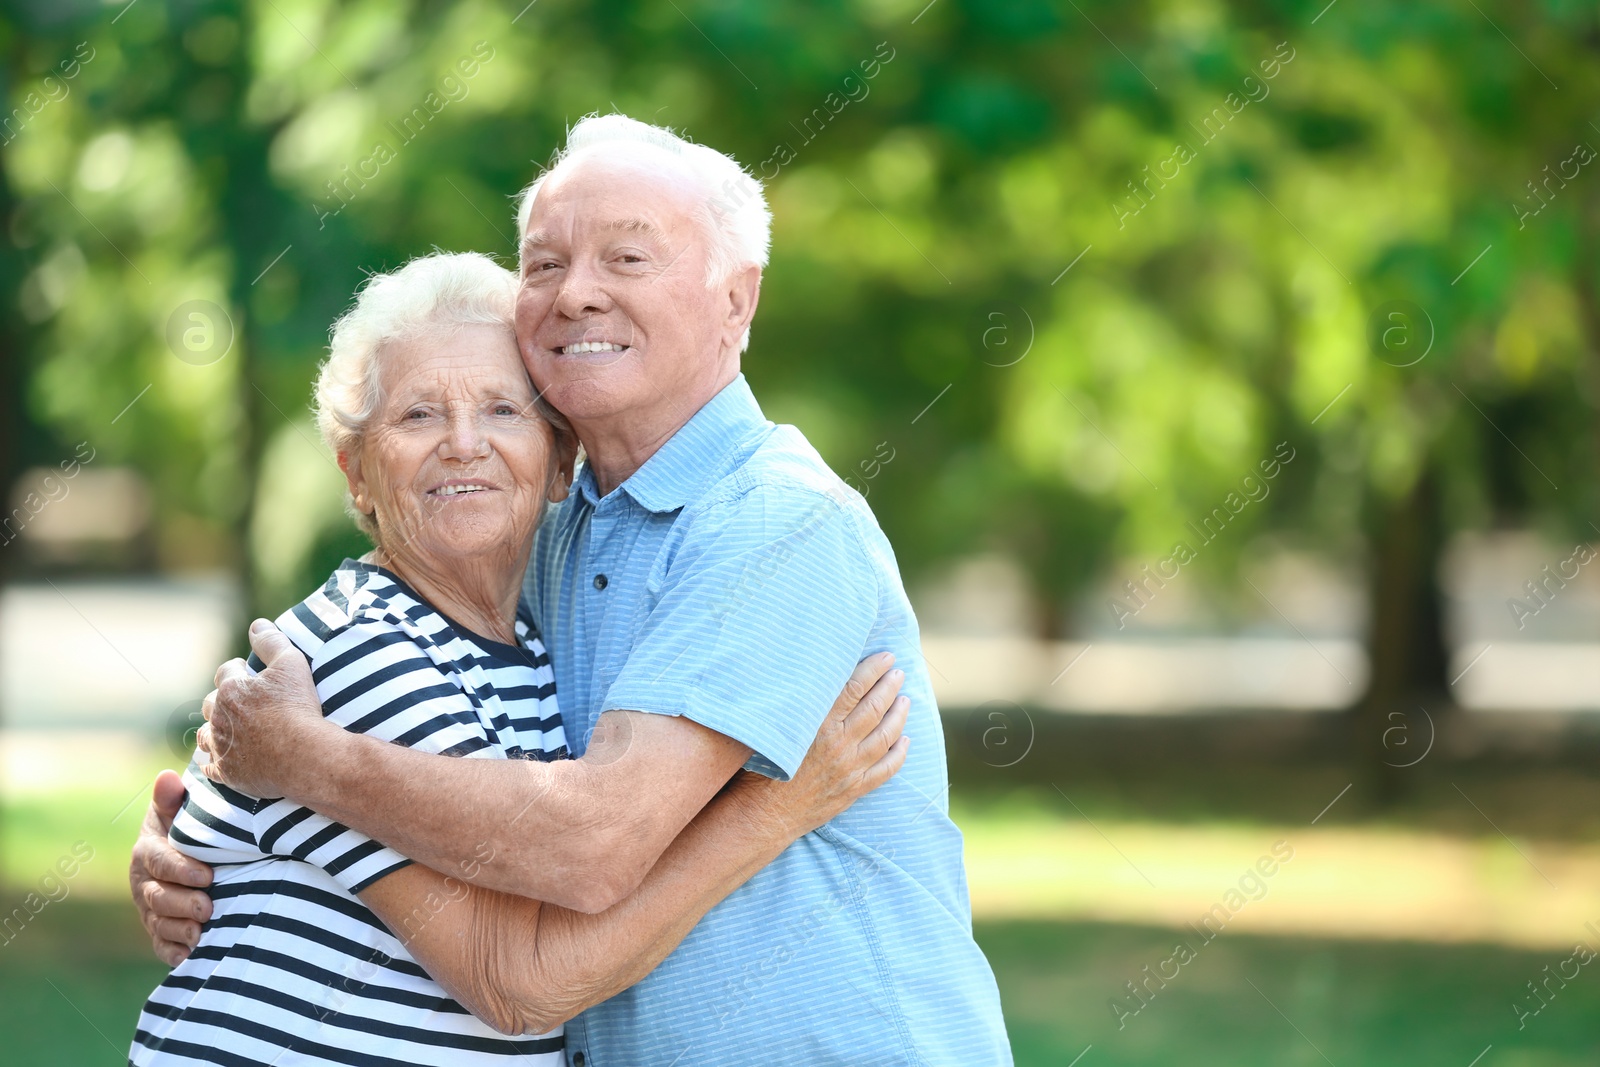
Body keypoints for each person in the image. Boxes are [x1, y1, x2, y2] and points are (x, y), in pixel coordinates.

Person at [133, 114, 1014, 1065]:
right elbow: (354, 665)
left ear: (736, 298)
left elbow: (589, 840)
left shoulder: (775, 522)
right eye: (544, 265)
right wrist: (209, 821)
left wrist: (300, 766)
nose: (575, 294)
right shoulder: (547, 530)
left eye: (627, 258)